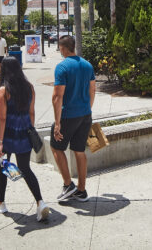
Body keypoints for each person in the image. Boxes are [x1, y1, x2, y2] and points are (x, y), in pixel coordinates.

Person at [0, 56, 51, 221]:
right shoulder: (29, 88)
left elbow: (1, 118)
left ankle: (1, 203)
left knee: (2, 168)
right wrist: (29, 129)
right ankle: (40, 202)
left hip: (8, 134)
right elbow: (32, 112)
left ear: (4, 70)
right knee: (25, 168)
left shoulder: (4, 90)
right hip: (24, 132)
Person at [51, 35, 95, 202]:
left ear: (62, 49)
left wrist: (57, 123)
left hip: (68, 116)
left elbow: (57, 96)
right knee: (79, 150)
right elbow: (93, 90)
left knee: (56, 147)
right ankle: (81, 190)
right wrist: (87, 109)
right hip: (85, 114)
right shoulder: (87, 65)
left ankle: (68, 184)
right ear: (73, 46)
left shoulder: (62, 67)